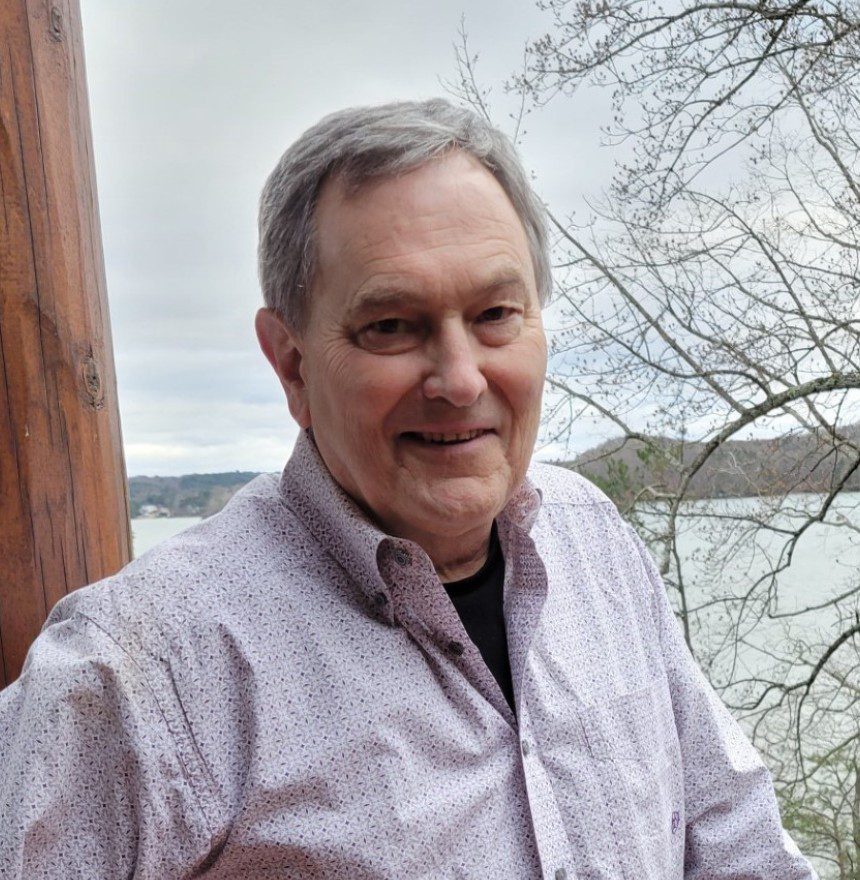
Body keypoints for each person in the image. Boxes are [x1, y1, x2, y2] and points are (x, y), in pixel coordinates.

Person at [0, 99, 817, 880]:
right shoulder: (149, 667)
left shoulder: (594, 540)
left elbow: (737, 840)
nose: (460, 381)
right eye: (391, 326)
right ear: (290, 363)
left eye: (496, 313)